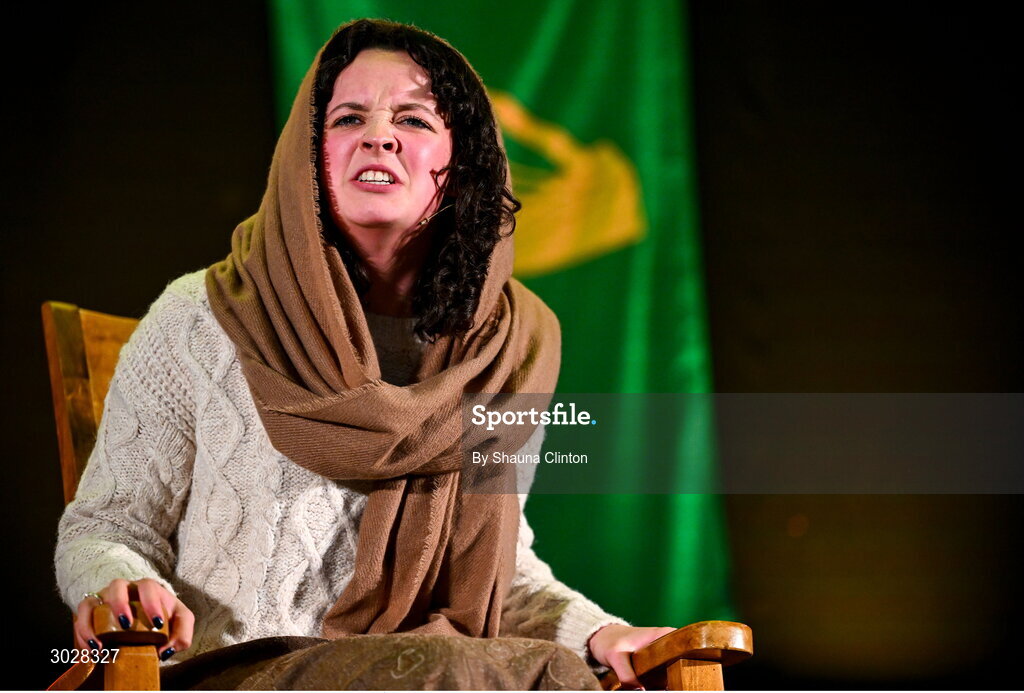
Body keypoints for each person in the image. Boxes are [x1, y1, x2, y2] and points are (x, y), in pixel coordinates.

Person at [55, 18, 673, 689]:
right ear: (306, 158)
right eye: (348, 118)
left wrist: (603, 633)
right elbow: (105, 527)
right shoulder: (200, 317)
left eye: (412, 119)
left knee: (535, 670)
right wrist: (121, 582)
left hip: (438, 672)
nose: (378, 135)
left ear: (462, 162)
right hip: (240, 671)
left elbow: (499, 572)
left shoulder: (505, 346)